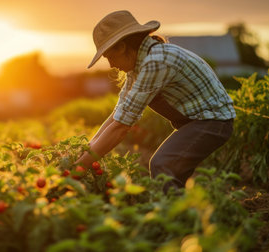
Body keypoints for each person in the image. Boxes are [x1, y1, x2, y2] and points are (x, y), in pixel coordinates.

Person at [75, 10, 236, 192]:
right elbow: (118, 113)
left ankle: (173, 216)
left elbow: (121, 127)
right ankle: (181, 211)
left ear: (122, 47)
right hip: (198, 121)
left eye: (109, 56)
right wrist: (86, 150)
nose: (111, 65)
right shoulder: (138, 66)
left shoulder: (156, 61)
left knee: (163, 165)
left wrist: (78, 167)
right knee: (168, 172)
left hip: (213, 122)